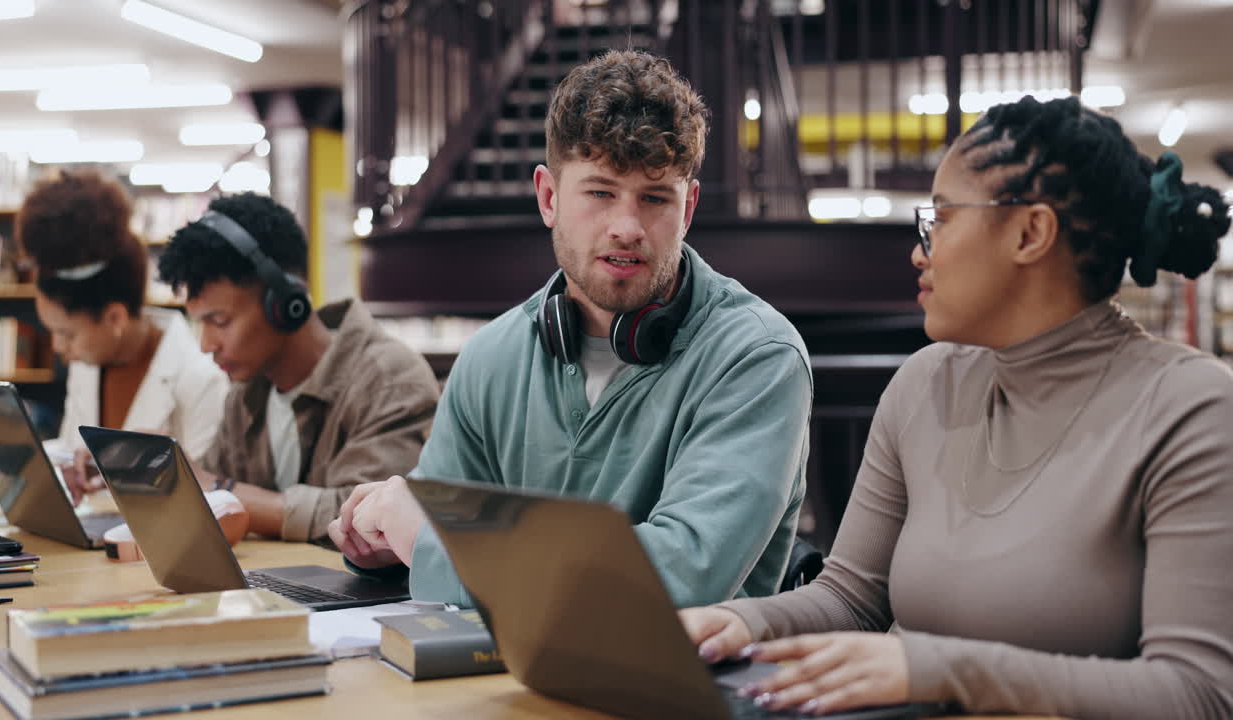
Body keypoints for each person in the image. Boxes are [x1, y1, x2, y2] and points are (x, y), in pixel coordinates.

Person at [680, 96, 1233, 719]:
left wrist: (936, 668)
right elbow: (851, 599)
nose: (921, 250)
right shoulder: (924, 383)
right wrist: (734, 620)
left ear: (1031, 233)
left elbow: (1197, 695)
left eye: (940, 218)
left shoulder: (1191, 407)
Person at [328, 49, 813, 608]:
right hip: (500, 679)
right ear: (549, 197)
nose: (627, 226)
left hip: (684, 688)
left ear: (687, 210)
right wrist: (385, 538)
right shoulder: (493, 355)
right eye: (601, 192)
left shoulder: (757, 358)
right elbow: (436, 524)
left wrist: (433, 547)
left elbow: (682, 576)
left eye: (655, 198)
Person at [156, 192, 440, 542]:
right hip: (274, 590)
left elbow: (370, 520)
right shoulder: (246, 394)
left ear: (285, 303)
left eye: (219, 320)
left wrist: (216, 488)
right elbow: (207, 499)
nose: (205, 345)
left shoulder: (389, 379)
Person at [15, 169, 228, 505]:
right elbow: (75, 450)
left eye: (67, 334)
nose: (58, 349)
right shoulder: (89, 364)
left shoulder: (202, 379)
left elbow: (215, 506)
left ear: (115, 317)